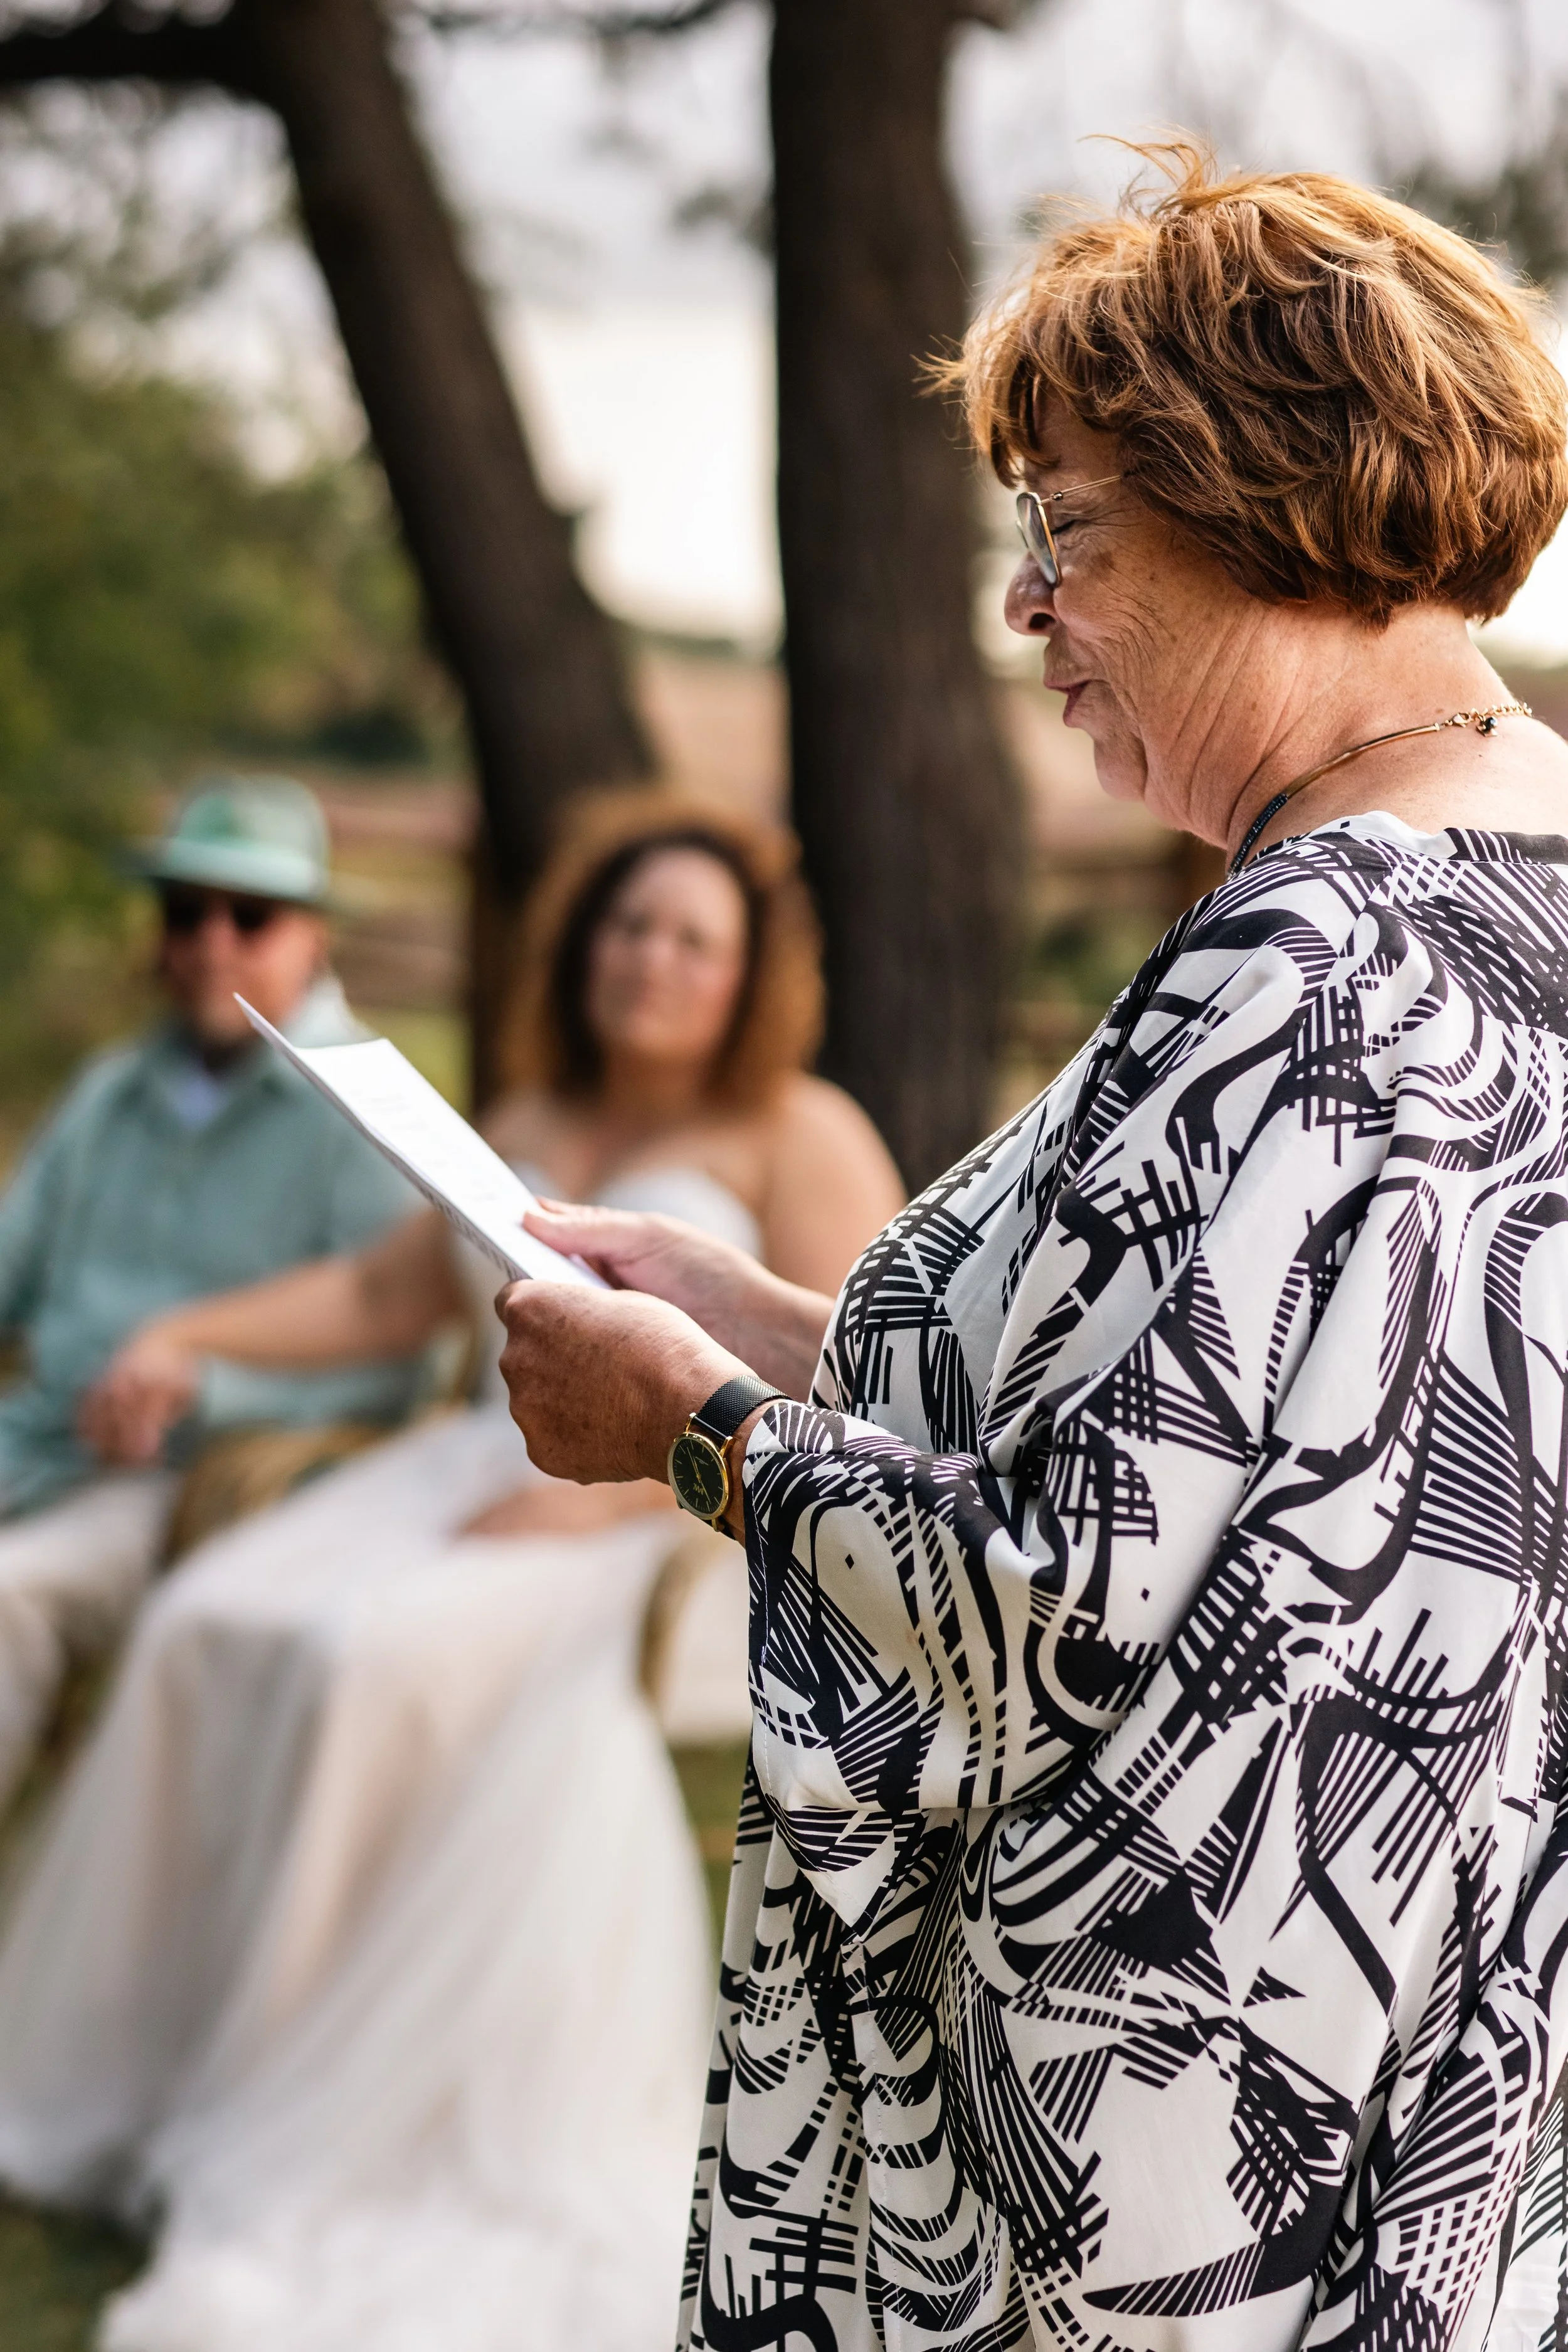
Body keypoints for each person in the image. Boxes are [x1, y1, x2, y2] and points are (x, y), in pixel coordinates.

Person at [494, 155, 1568, 2351]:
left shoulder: (1302, 952)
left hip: (1170, 2126)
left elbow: (1062, 1607)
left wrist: (694, 1434)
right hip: (1439, 2027)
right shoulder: (1526, 870)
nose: (1023, 605)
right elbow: (1267, 1437)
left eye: (1067, 531)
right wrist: (781, 1327)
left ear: (1255, 498)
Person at [0, 792, 903, 2352]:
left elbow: (853, 1384)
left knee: (370, 1661)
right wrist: (189, 1333)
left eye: (692, 938)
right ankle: (153, 2072)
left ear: (749, 970)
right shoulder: (533, 1106)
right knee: (207, 1619)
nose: (651, 958)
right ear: (582, 945)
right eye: (628, 926)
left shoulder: (797, 1132)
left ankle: (295, 2088)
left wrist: (628, 1498)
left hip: (661, 1515)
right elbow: (378, 1296)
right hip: (464, 1473)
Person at [0, 775, 418, 1810]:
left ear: (315, 933)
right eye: (186, 911)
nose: (212, 942)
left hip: (189, 1489)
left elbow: (394, 1364)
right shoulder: (111, 1089)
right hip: (31, 1440)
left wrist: (209, 1394)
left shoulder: (363, 1106)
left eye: (251, 914)